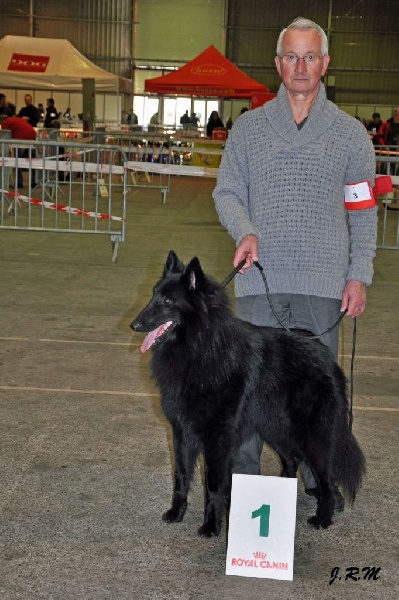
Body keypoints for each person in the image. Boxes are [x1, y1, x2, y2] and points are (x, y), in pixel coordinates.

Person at [213, 17, 377, 510]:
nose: (300, 66)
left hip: (324, 286)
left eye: (310, 56)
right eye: (291, 56)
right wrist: (245, 230)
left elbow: (363, 213)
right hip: (258, 283)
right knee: (246, 393)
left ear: (325, 64)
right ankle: (244, 482)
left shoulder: (351, 136)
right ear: (278, 64)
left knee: (312, 397)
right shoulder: (249, 128)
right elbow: (226, 191)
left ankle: (315, 478)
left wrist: (359, 275)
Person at [0, 115, 37, 188]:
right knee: (33, 162)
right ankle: (34, 182)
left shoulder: (5, 122)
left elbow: (4, 136)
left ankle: (19, 182)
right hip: (32, 138)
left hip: (20, 140)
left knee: (17, 161)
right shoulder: (16, 119)